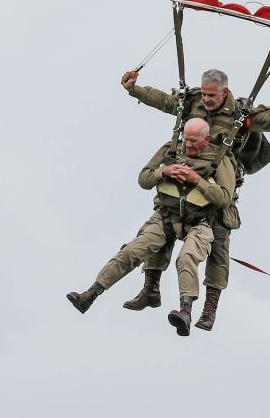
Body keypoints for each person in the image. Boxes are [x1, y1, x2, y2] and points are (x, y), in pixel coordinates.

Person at [119, 68, 270, 331]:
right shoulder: (193, 101)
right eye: (205, 94)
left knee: (219, 248)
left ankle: (209, 309)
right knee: (161, 227)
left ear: (224, 92)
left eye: (212, 95)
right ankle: (150, 289)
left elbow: (269, 120)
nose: (207, 99)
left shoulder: (240, 113)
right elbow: (166, 101)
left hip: (219, 188)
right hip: (183, 183)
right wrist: (134, 89)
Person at [67, 118, 235, 337]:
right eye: (186, 139)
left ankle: (186, 311)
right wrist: (163, 172)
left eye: (194, 141)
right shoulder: (171, 149)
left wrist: (197, 180)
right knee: (131, 251)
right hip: (166, 216)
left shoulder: (220, 158)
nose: (188, 145)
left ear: (207, 139)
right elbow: (144, 179)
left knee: (186, 258)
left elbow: (224, 198)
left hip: (200, 222)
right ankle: (90, 295)